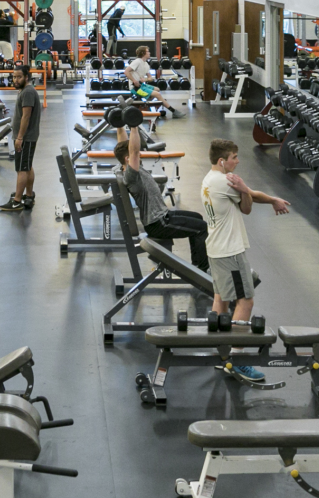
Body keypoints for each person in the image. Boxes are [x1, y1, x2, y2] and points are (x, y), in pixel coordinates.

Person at [199, 139, 290, 382]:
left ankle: (222, 354)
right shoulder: (224, 181)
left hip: (216, 248)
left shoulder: (209, 179)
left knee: (221, 298)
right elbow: (248, 205)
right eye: (234, 157)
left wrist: (269, 199)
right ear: (222, 160)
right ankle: (236, 360)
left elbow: (250, 197)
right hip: (230, 251)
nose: (238, 161)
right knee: (246, 301)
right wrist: (243, 188)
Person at [116, 127, 207, 270]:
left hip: (162, 216)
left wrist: (120, 126)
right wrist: (133, 127)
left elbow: (124, 146)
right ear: (128, 159)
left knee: (198, 218)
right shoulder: (131, 176)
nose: (139, 154)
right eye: (136, 154)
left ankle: (197, 264)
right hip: (158, 223)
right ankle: (203, 271)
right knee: (201, 228)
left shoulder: (125, 167)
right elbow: (133, 151)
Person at [1, 64, 40, 212]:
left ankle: (17, 201)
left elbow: (26, 116)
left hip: (26, 137)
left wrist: (19, 138)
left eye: (19, 77)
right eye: (14, 77)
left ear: (26, 77)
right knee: (27, 166)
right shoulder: (24, 91)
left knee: (22, 169)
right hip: (27, 136)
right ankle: (28, 195)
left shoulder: (28, 92)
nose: (15, 80)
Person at [126, 46, 182, 118]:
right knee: (157, 94)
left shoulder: (145, 64)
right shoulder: (137, 61)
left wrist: (145, 80)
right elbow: (126, 71)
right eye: (148, 51)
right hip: (135, 88)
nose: (149, 53)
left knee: (157, 89)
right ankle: (173, 111)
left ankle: (146, 108)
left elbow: (150, 78)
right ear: (143, 53)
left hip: (141, 85)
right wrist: (134, 80)